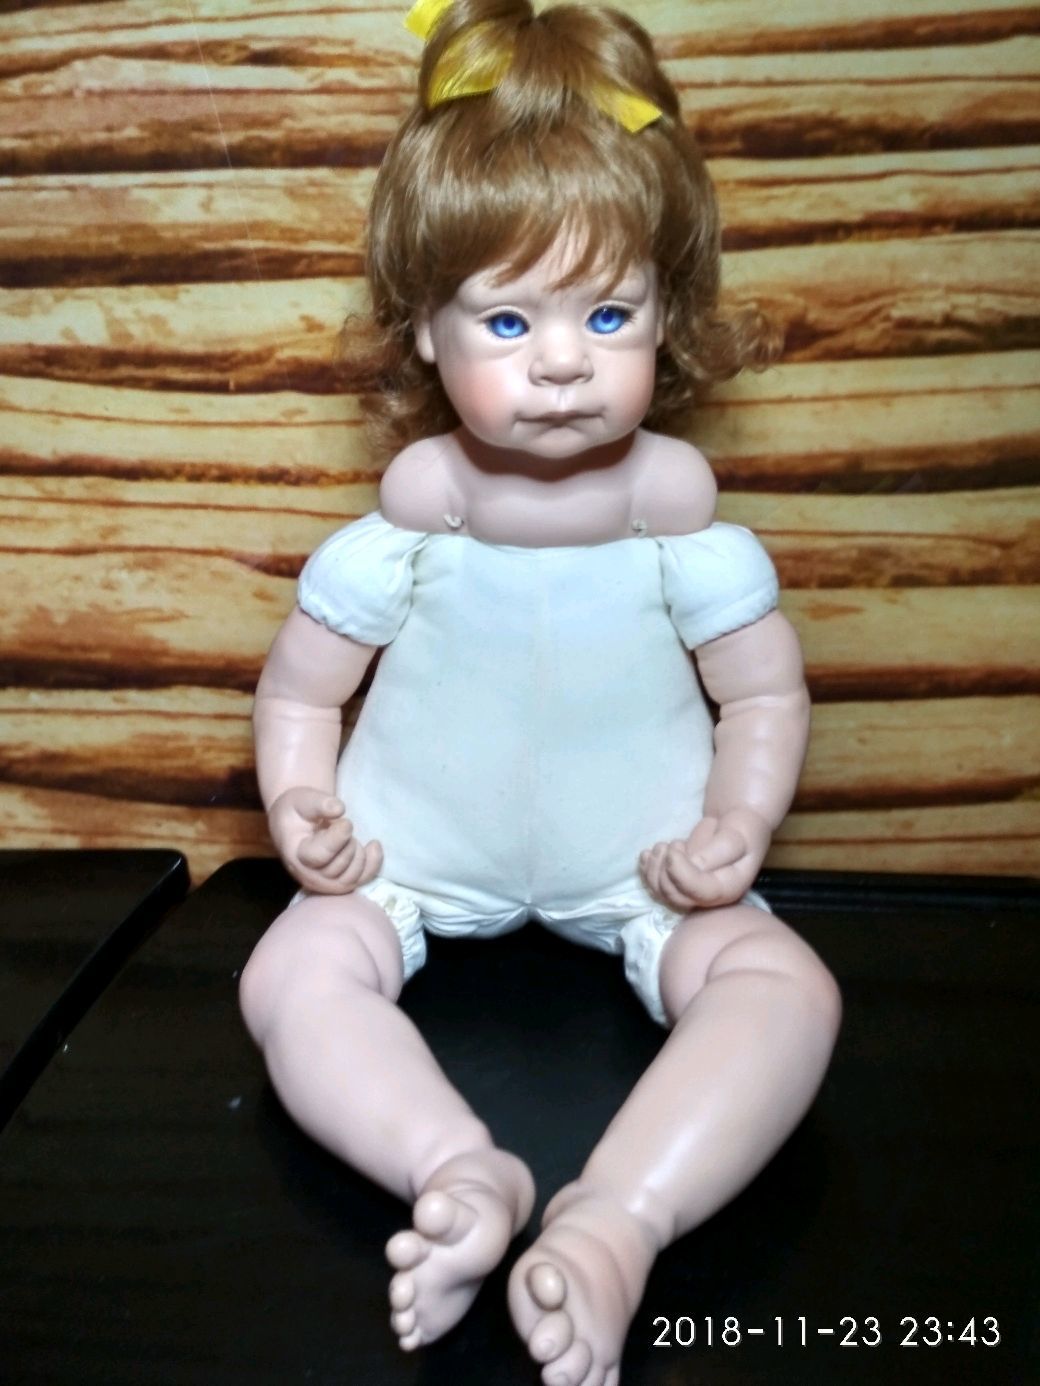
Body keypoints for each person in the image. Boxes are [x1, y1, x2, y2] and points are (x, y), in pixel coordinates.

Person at [240, 3, 842, 1382]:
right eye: (508, 318)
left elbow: (763, 700)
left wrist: (736, 827)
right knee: (290, 972)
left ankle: (618, 1220)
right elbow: (299, 696)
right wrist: (302, 804)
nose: (562, 361)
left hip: (643, 872)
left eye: (608, 313)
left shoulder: (685, 535)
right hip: (405, 860)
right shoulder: (405, 532)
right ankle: (453, 1169)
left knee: (788, 989)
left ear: (667, 318)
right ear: (423, 330)